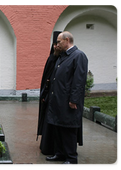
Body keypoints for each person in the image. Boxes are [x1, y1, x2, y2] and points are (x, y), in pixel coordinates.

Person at [45, 31, 88, 165]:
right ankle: (60, 153)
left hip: (68, 102)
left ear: (67, 40)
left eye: (58, 42)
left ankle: (71, 158)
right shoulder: (63, 57)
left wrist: (74, 100)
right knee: (58, 127)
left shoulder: (78, 56)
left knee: (68, 129)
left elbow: (79, 80)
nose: (57, 44)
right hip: (58, 100)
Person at [37, 31, 62, 155]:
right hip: (49, 96)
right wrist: (44, 94)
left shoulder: (64, 59)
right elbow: (46, 79)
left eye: (58, 44)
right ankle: (47, 146)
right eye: (54, 45)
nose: (55, 47)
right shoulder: (51, 58)